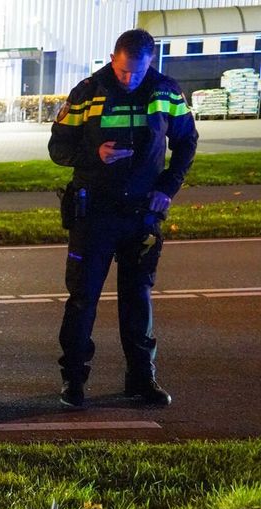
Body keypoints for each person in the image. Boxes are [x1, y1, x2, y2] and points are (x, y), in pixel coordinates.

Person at [49, 29, 197, 408]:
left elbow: (186, 141)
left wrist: (168, 187)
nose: (128, 78)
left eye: (136, 71)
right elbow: (58, 147)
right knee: (83, 300)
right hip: (95, 211)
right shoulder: (89, 91)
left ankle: (141, 379)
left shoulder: (165, 91)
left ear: (150, 62)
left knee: (138, 298)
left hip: (142, 213)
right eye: (122, 70)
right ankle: (75, 382)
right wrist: (93, 153)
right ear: (113, 58)